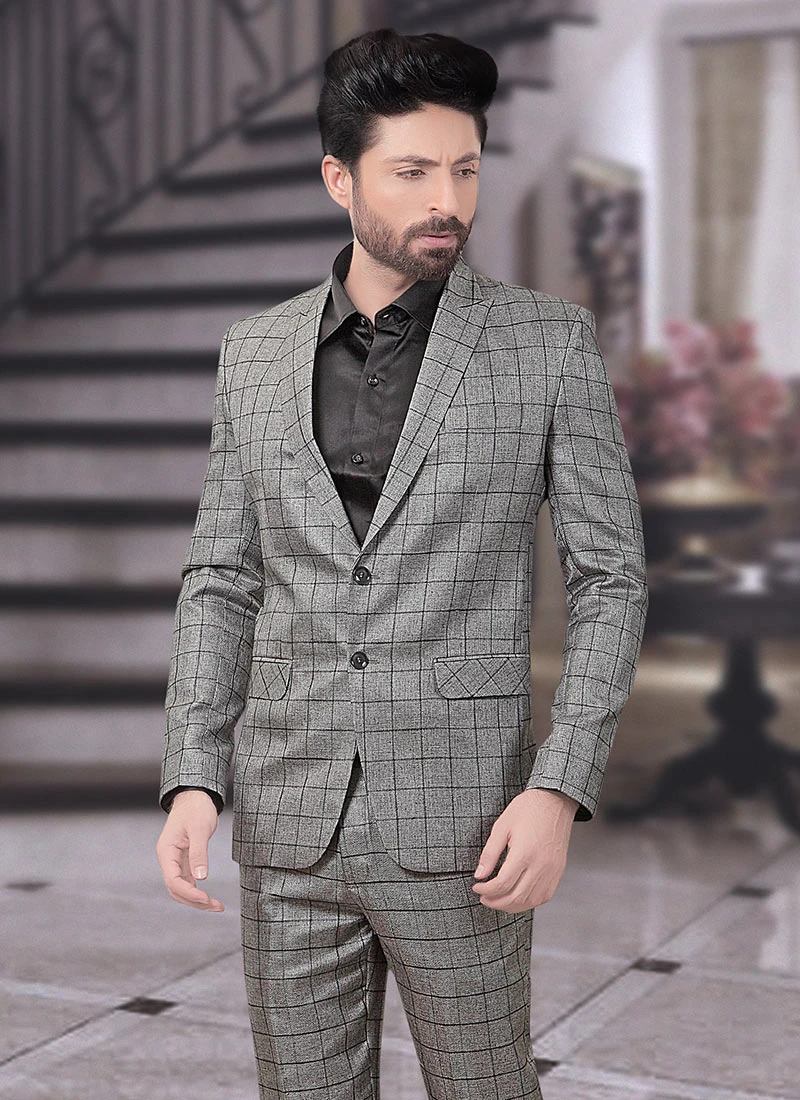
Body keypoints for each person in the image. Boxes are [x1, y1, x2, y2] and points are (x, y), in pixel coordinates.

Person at [155, 26, 648, 1100]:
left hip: (467, 824)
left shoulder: (546, 341)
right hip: (288, 821)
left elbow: (610, 577)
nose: (447, 201)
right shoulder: (254, 352)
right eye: (413, 172)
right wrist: (194, 771)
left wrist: (558, 785)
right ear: (339, 179)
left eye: (465, 169)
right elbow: (222, 576)